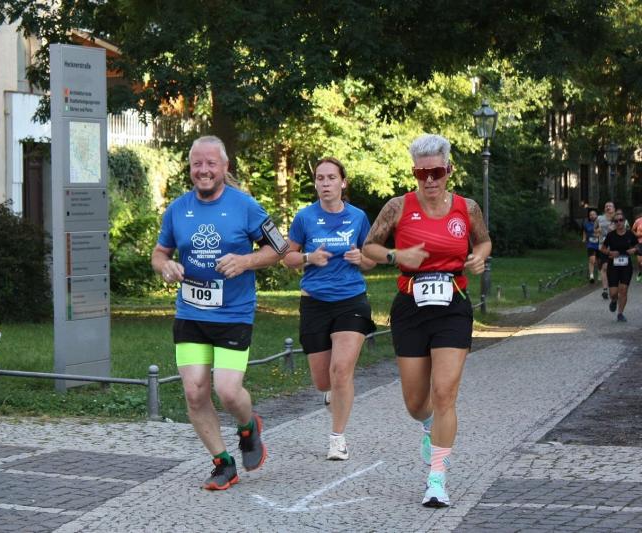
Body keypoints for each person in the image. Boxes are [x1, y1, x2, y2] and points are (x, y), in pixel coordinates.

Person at [151, 135, 287, 490]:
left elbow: (279, 248)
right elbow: (159, 253)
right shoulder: (177, 209)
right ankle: (223, 463)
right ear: (190, 168)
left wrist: (245, 261)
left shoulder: (246, 206)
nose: (204, 170)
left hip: (233, 314)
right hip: (191, 313)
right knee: (194, 393)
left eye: (211, 163)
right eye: (197, 163)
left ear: (225, 167)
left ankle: (248, 427)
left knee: (227, 391)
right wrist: (165, 266)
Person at [362, 134, 491, 508]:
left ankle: (437, 478)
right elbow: (369, 247)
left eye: (436, 171)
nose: (429, 179)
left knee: (445, 393)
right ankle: (428, 424)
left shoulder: (467, 208)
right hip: (411, 307)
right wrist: (396, 255)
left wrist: (479, 257)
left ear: (449, 170)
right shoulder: (397, 207)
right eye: (422, 173)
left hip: (453, 305)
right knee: (416, 402)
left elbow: (484, 241)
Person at [282, 157, 376, 461]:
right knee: (324, 381)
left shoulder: (358, 217)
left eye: (331, 178)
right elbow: (287, 257)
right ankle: (331, 393)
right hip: (315, 302)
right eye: (320, 178)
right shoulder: (304, 217)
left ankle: (337, 438)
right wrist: (308, 258)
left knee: (341, 370)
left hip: (351, 300)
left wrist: (360, 258)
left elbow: (371, 259)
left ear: (342, 183)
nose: (325, 184)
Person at [600, 211, 636, 322]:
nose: (618, 222)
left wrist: (634, 249)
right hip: (613, 267)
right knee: (613, 293)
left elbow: (638, 246)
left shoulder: (630, 234)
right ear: (614, 223)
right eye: (616, 221)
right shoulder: (611, 235)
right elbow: (602, 248)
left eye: (621, 220)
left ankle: (620, 313)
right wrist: (610, 252)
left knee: (623, 290)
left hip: (626, 266)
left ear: (624, 221)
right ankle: (614, 300)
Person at [596, 201, 616, 299]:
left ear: (614, 208)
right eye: (606, 206)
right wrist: (597, 231)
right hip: (603, 247)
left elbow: (625, 231)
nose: (608, 207)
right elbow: (594, 230)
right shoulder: (599, 218)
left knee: (614, 269)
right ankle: (605, 290)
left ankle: (615, 287)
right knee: (605, 267)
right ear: (604, 209)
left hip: (615, 247)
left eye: (610, 206)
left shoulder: (618, 218)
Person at [582, 209, 600, 283]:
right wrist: (584, 238)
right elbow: (584, 231)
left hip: (599, 244)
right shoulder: (586, 224)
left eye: (593, 214)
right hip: (590, 244)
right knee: (592, 259)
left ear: (596, 215)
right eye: (590, 215)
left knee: (599, 260)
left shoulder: (600, 224)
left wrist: (598, 235)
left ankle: (599, 273)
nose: (592, 216)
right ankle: (591, 276)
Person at [632, 213, 642, 282]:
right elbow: (632, 230)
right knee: (639, 262)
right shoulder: (638, 221)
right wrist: (636, 235)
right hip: (639, 243)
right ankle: (640, 272)